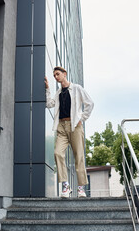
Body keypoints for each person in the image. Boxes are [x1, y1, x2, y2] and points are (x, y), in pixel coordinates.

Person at [44, 66, 94, 198]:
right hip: (61, 127)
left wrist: (81, 118)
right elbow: (49, 104)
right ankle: (66, 186)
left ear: (64, 74)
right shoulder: (58, 92)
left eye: (57, 74)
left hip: (75, 126)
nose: (56, 77)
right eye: (54, 75)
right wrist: (48, 88)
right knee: (58, 153)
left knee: (79, 156)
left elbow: (90, 103)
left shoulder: (77, 88)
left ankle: (81, 188)